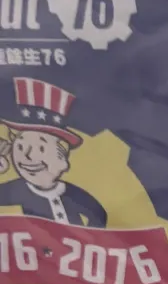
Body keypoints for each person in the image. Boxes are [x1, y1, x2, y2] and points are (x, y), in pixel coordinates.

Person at [0, 78, 106, 229]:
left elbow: (99, 214)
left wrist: (91, 236)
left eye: (41, 149)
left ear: (62, 158)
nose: (27, 156)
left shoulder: (74, 195)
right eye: (21, 147)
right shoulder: (13, 191)